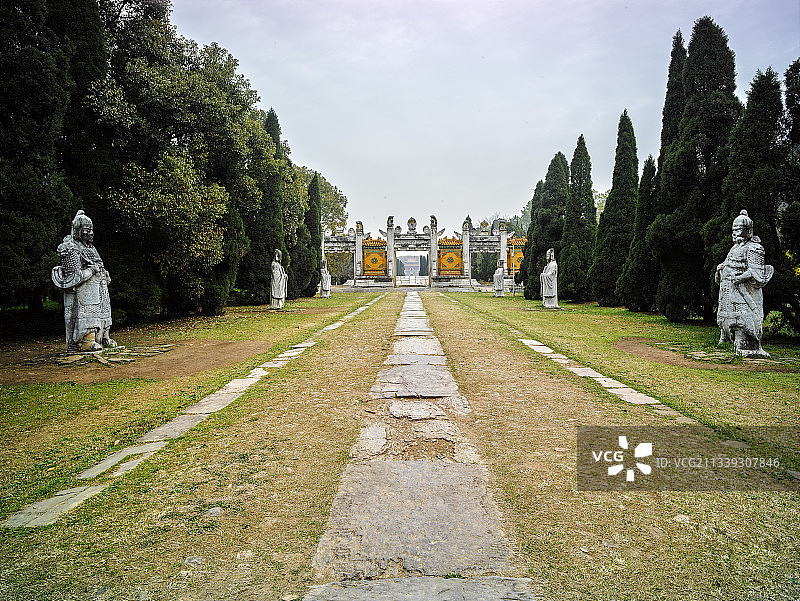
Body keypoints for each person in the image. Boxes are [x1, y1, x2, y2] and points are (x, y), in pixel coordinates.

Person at [51, 210, 116, 352]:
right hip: (84, 293)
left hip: (100, 288)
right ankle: (87, 340)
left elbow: (99, 265)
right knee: (88, 315)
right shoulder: (71, 248)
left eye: (92, 230)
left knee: (104, 312)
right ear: (78, 230)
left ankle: (103, 337)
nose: (91, 233)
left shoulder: (91, 248)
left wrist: (104, 274)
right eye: (87, 230)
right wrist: (91, 271)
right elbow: (73, 277)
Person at [715, 210, 773, 357]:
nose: (734, 233)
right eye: (733, 230)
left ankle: (743, 342)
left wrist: (740, 278)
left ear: (748, 231)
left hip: (744, 291)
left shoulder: (755, 248)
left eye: (738, 229)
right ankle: (725, 338)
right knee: (726, 314)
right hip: (728, 289)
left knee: (742, 318)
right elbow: (728, 262)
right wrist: (721, 267)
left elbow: (755, 271)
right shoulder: (734, 248)